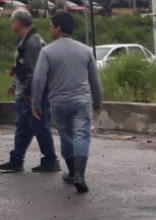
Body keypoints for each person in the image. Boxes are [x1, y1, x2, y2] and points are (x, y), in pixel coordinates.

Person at [31, 12, 103, 194]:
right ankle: (79, 174)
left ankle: (72, 173)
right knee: (82, 136)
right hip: (81, 101)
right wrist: (98, 101)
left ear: (58, 28)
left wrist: (36, 103)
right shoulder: (85, 50)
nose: (50, 29)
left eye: (51, 26)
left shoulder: (47, 51)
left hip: (59, 102)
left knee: (66, 137)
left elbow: (39, 79)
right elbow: (95, 80)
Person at [0, 9, 60, 174]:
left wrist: (27, 92)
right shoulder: (27, 40)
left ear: (17, 23)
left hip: (32, 95)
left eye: (12, 22)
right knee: (24, 128)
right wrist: (15, 83)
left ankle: (50, 160)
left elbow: (35, 71)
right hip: (27, 92)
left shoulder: (32, 43)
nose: (12, 26)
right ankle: (16, 159)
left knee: (39, 127)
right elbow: (22, 67)